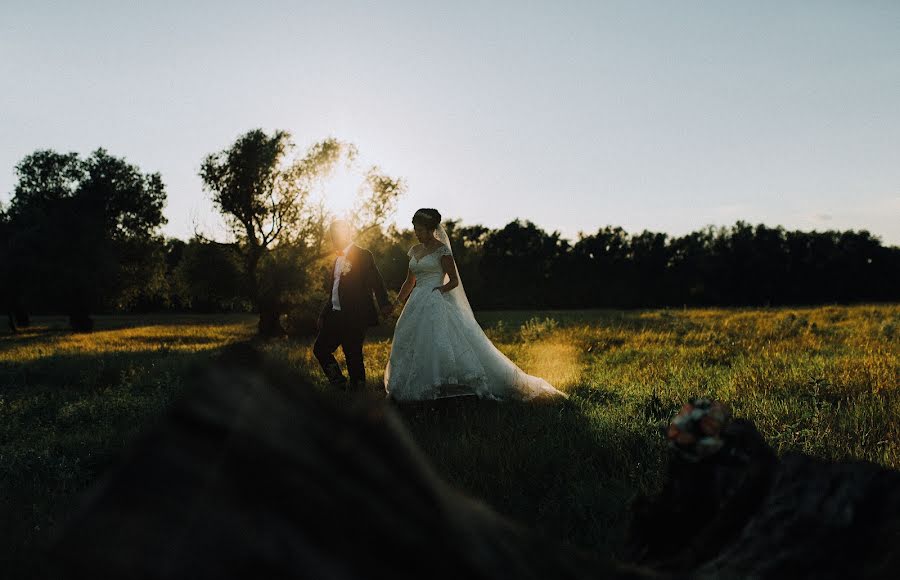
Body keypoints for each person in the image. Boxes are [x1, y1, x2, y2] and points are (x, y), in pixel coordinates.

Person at [384, 208, 565, 401]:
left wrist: (439, 291)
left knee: (437, 342)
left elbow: (454, 281)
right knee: (410, 340)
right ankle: (411, 385)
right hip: (416, 302)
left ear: (430, 230)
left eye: (419, 230)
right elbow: (409, 282)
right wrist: (396, 303)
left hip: (435, 300)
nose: (416, 234)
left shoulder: (442, 252)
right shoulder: (415, 251)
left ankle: (440, 384)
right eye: (415, 229)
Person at [314, 220, 392, 389]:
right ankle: (338, 381)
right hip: (334, 314)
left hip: (356, 315)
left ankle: (359, 389)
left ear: (347, 233)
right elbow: (334, 290)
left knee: (352, 354)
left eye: (338, 234)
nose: (335, 238)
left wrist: (384, 304)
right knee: (320, 349)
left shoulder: (363, 255)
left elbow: (376, 282)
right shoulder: (336, 260)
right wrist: (323, 314)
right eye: (332, 235)